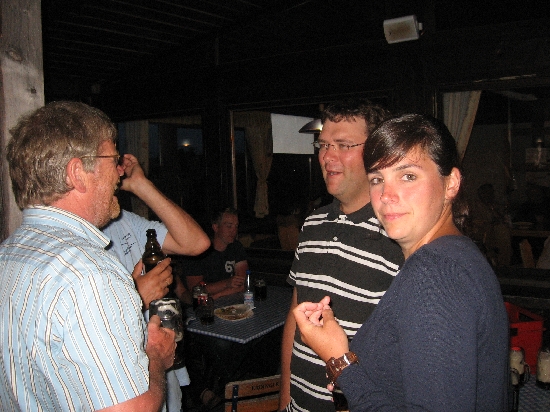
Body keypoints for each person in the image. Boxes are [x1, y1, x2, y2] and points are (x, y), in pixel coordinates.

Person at [294, 114, 509, 411]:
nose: (386, 195)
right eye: (377, 179)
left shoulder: (433, 273)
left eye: (408, 176)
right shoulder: (456, 256)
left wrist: (339, 362)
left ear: (451, 183)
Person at [0, 101, 176, 411]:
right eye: (113, 159)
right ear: (77, 173)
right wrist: (157, 357)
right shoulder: (91, 275)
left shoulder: (8, 255)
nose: (119, 173)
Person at [279, 99, 404, 412]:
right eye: (323, 145)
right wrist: (284, 400)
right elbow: (295, 317)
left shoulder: (399, 234)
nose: (327, 156)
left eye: (344, 145)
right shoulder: (313, 223)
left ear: (376, 154)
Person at [102, 153, 210, 412]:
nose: (120, 169)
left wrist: (142, 185)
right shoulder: (75, 244)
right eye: (111, 161)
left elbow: (197, 243)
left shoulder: (124, 221)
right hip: (123, 386)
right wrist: (137, 296)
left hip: (159, 368)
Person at [185, 207, 248, 299]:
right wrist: (226, 283)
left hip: (229, 299)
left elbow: (242, 284)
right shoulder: (199, 252)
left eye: (236, 226)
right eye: (229, 226)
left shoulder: (236, 247)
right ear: (215, 227)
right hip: (203, 303)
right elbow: (195, 290)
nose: (234, 230)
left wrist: (217, 295)